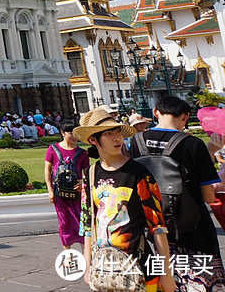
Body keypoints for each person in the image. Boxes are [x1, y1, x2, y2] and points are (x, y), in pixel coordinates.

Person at [76, 107, 175, 292]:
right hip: (104, 268)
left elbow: (158, 226)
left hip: (140, 266)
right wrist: (88, 266)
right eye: (108, 133)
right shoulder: (90, 174)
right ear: (93, 139)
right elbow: (88, 226)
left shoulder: (138, 173)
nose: (117, 138)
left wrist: (166, 273)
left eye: (118, 132)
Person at [132, 95, 225, 289]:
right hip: (193, 227)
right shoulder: (193, 144)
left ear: (156, 112)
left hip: (156, 226)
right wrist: (210, 150)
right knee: (201, 280)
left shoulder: (137, 141)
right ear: (186, 117)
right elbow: (208, 196)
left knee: (167, 278)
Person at [44, 119, 89, 251]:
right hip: (59, 193)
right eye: (71, 133)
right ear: (63, 133)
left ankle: (86, 254)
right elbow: (47, 169)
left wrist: (83, 182)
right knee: (64, 222)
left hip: (77, 193)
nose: (74, 136)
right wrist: (50, 190)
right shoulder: (53, 149)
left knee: (81, 221)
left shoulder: (82, 153)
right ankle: (67, 253)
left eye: (76, 133)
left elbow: (87, 172)